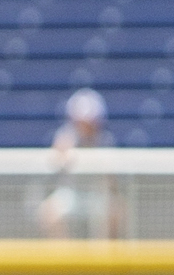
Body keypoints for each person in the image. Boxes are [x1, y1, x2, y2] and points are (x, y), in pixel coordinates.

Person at [39, 87, 120, 240]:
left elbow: (111, 179)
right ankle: (63, 261)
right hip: (71, 195)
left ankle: (105, 261)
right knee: (49, 213)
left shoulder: (105, 140)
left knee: (115, 211)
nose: (86, 125)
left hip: (97, 195)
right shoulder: (65, 137)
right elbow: (54, 162)